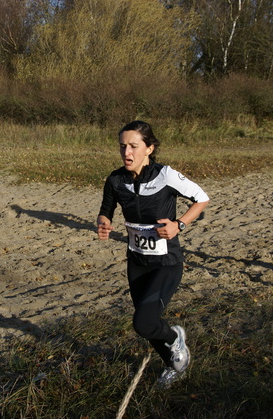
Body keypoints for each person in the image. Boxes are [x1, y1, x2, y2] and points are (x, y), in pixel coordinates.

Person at [97, 120, 209, 389]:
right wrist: (102, 222)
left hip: (166, 263)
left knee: (143, 323)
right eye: (123, 146)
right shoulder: (115, 180)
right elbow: (106, 209)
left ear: (149, 148)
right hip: (137, 261)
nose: (127, 152)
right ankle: (174, 363)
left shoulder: (165, 175)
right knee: (148, 323)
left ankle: (175, 338)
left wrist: (179, 224)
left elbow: (202, 198)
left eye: (134, 146)